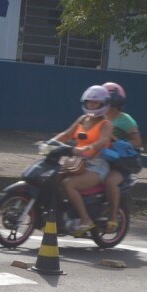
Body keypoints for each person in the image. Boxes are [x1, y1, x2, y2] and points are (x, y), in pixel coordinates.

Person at [48, 84, 114, 235]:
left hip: (96, 165)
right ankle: (59, 215)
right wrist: (49, 143)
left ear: (103, 104)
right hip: (78, 161)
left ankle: (86, 220)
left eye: (95, 103)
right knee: (52, 177)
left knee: (69, 184)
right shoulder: (83, 119)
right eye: (89, 102)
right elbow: (66, 134)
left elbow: (104, 141)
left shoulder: (106, 124)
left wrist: (87, 148)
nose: (91, 105)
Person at [101, 82, 143, 232]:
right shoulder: (97, 117)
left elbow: (137, 142)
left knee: (110, 181)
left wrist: (117, 143)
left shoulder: (125, 120)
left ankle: (113, 218)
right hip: (98, 158)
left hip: (119, 163)